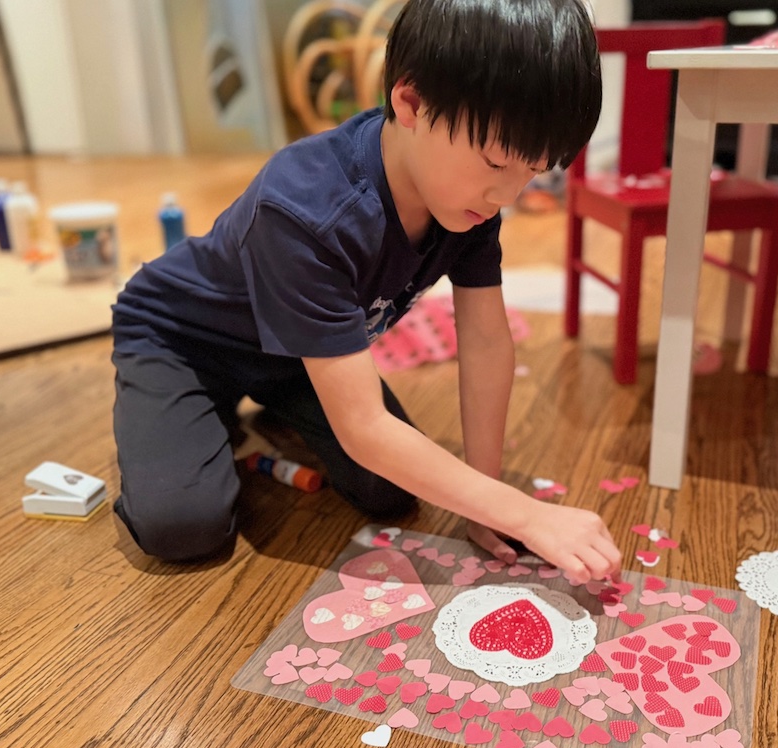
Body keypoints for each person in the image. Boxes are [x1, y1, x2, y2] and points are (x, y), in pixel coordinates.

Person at [110, 0, 622, 581]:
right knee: (183, 524)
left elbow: (484, 340)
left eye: (532, 172)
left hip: (295, 357)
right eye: (496, 161)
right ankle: (191, 409)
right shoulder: (306, 211)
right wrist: (529, 515)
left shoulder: (473, 201)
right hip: (181, 341)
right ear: (411, 102)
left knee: (390, 491)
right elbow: (365, 429)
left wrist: (489, 495)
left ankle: (268, 407)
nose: (506, 194)